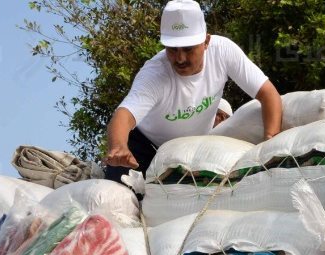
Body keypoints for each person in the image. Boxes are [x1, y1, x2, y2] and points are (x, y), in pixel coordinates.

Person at [103, 0, 282, 184]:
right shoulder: (154, 74)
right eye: (172, 50)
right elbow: (124, 115)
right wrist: (119, 148)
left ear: (206, 41)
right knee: (119, 196)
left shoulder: (223, 52)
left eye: (188, 49)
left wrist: (270, 141)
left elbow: (268, 94)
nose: (180, 58)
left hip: (193, 150)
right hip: (144, 147)